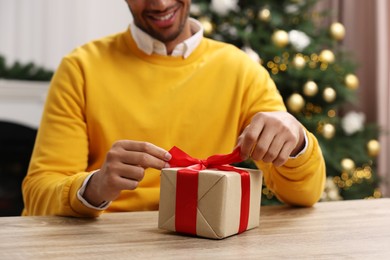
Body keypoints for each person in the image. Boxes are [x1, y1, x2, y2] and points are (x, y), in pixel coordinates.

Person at [22, 0, 326, 217]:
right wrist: (94, 186)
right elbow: (38, 193)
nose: (160, 3)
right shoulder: (81, 69)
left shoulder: (242, 71)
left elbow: (304, 195)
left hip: (208, 242)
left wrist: (297, 142)